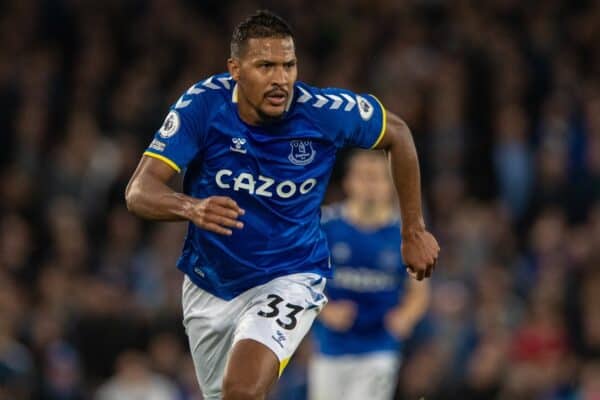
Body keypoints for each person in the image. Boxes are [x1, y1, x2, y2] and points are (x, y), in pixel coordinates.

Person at [125, 10, 439, 400]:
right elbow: (139, 191)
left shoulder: (322, 112)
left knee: (241, 389)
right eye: (266, 66)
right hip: (209, 285)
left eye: (288, 65)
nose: (281, 79)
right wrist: (192, 208)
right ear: (235, 70)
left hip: (290, 275)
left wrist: (413, 230)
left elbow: (399, 134)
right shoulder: (203, 106)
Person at [309, 150, 430, 400]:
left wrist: (405, 317)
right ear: (348, 182)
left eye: (377, 178)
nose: (370, 185)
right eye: (364, 177)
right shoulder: (325, 226)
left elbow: (419, 291)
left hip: (379, 347)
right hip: (331, 347)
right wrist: (326, 310)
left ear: (391, 185)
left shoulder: (406, 236)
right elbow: (301, 281)